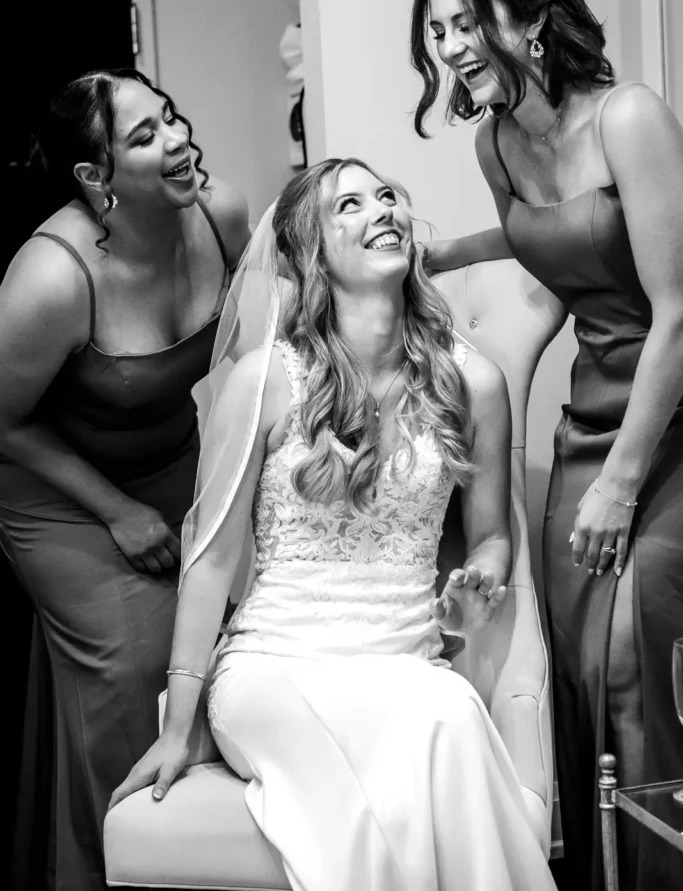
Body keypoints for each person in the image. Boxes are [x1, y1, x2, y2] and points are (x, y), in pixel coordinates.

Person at [110, 158, 557, 891]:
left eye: (386, 196)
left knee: (448, 714)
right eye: (348, 205)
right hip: (274, 669)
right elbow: (212, 560)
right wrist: (177, 727)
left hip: (400, 660)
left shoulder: (472, 381)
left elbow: (491, 536)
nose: (381, 210)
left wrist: (482, 578)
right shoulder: (265, 380)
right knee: (385, 767)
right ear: (311, 253)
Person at [410, 0, 683, 891]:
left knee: (625, 658)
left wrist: (620, 482)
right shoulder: (496, 142)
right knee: (572, 662)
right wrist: (442, 256)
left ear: (528, 20)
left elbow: (677, 316)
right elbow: (546, 235)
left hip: (665, 422)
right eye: (435, 30)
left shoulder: (629, 118)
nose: (447, 48)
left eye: (464, 22)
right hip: (585, 428)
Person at [0, 67, 251, 891]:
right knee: (134, 672)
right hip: (59, 496)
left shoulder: (221, 214)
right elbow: (4, 422)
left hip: (172, 465)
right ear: (94, 176)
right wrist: (115, 513)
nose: (178, 140)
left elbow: (259, 350)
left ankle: (208, 865)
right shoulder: (52, 278)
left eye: (171, 117)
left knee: (226, 660)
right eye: (145, 136)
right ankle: (121, 871)